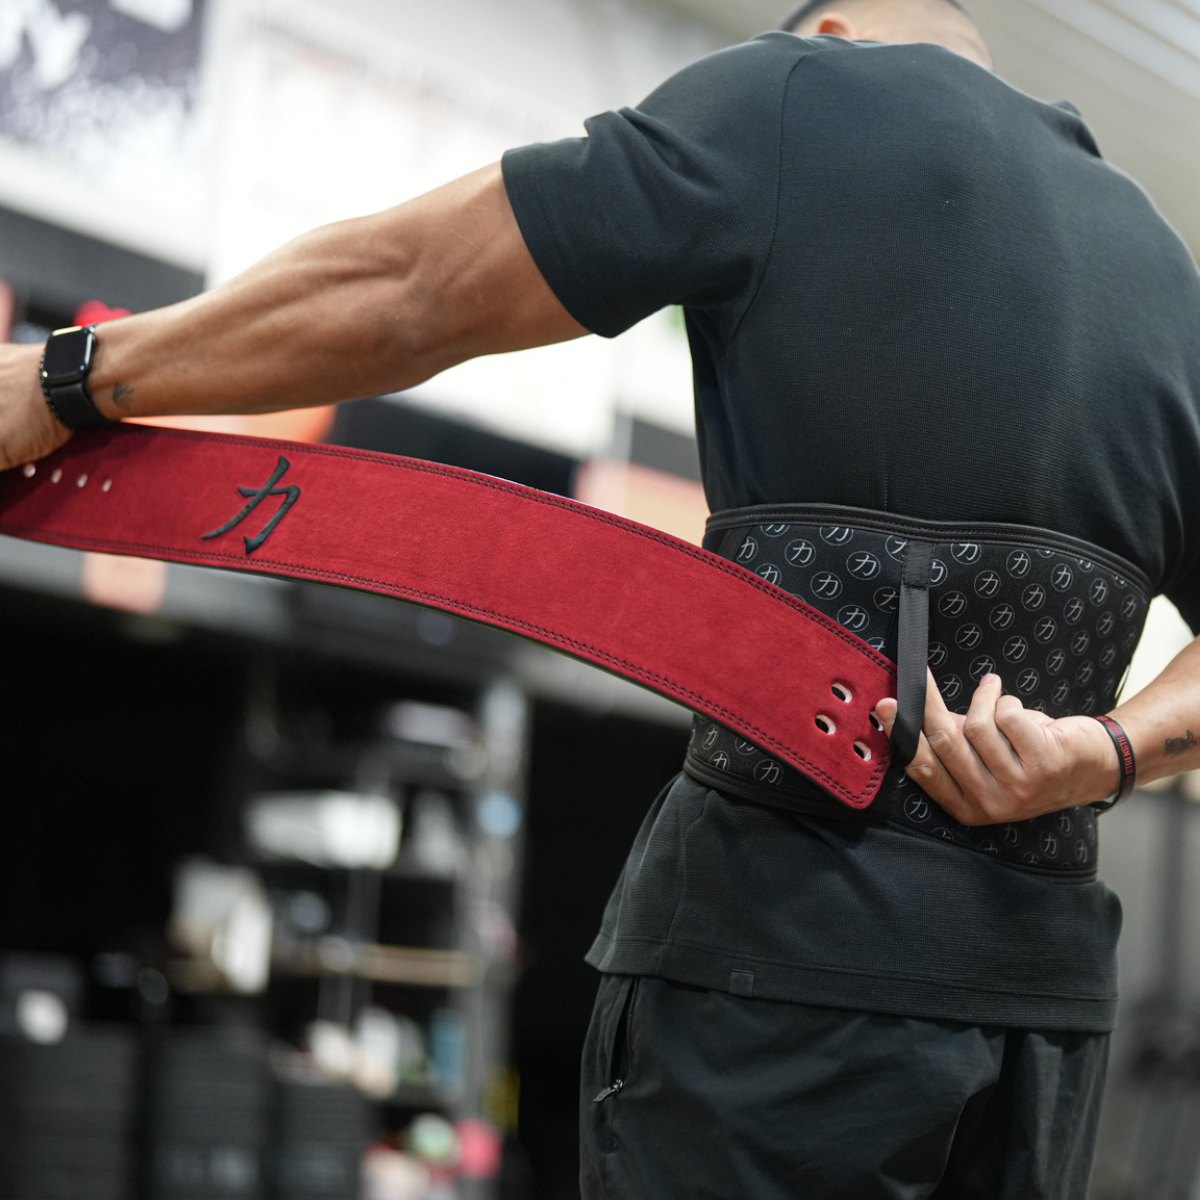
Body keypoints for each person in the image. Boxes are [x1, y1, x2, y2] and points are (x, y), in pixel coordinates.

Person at [2, 0, 1200, 1193]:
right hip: (1043, 1015)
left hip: (788, 963)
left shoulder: (803, 94)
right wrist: (1107, 752)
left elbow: (415, 285)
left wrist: (70, 378)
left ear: (830, 31)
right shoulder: (1166, 271)